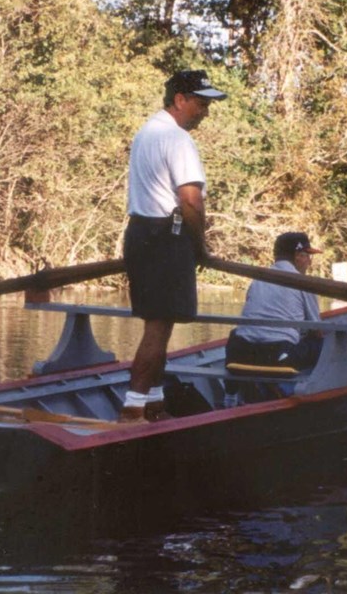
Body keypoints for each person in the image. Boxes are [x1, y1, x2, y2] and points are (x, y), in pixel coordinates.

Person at [120, 70, 227, 423]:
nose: (205, 112)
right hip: (167, 236)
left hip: (140, 233)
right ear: (179, 99)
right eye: (201, 103)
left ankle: (153, 402)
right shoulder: (178, 139)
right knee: (158, 327)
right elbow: (191, 202)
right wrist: (200, 247)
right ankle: (133, 409)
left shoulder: (146, 133)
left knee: (159, 323)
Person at [224, 232, 324, 406]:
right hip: (278, 357)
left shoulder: (257, 280)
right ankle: (311, 392)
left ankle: (230, 397)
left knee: (240, 332)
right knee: (323, 343)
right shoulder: (303, 283)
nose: (310, 261)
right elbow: (317, 330)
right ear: (298, 256)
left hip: (241, 354)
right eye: (307, 255)